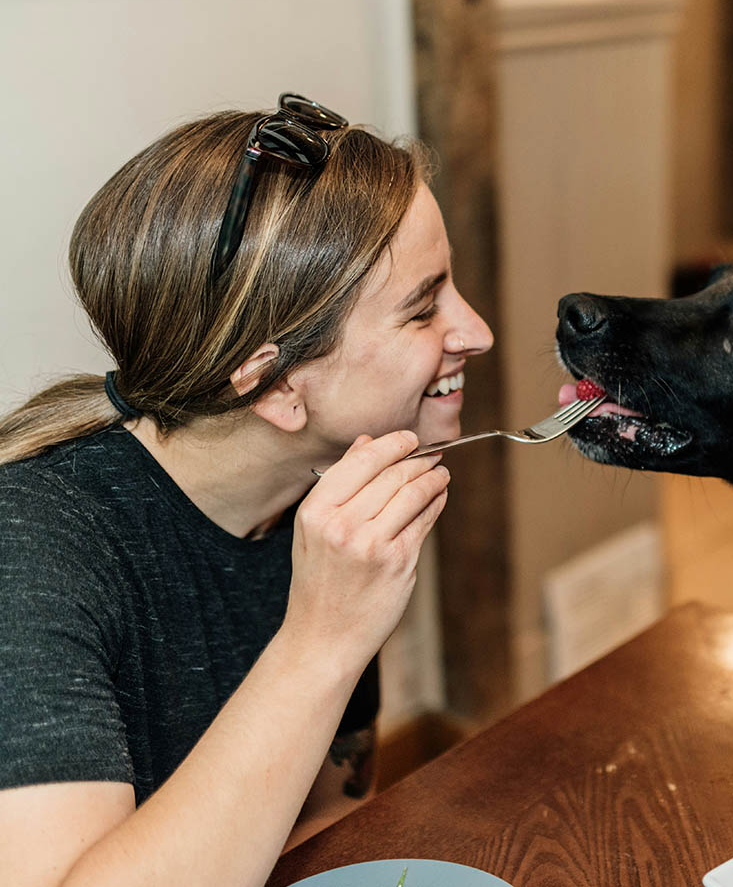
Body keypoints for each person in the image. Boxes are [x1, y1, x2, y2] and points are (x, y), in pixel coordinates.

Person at [0, 94, 493, 887]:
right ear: (274, 387)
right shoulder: (29, 551)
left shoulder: (331, 497)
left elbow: (323, 812)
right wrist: (322, 640)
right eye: (422, 308)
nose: (476, 331)